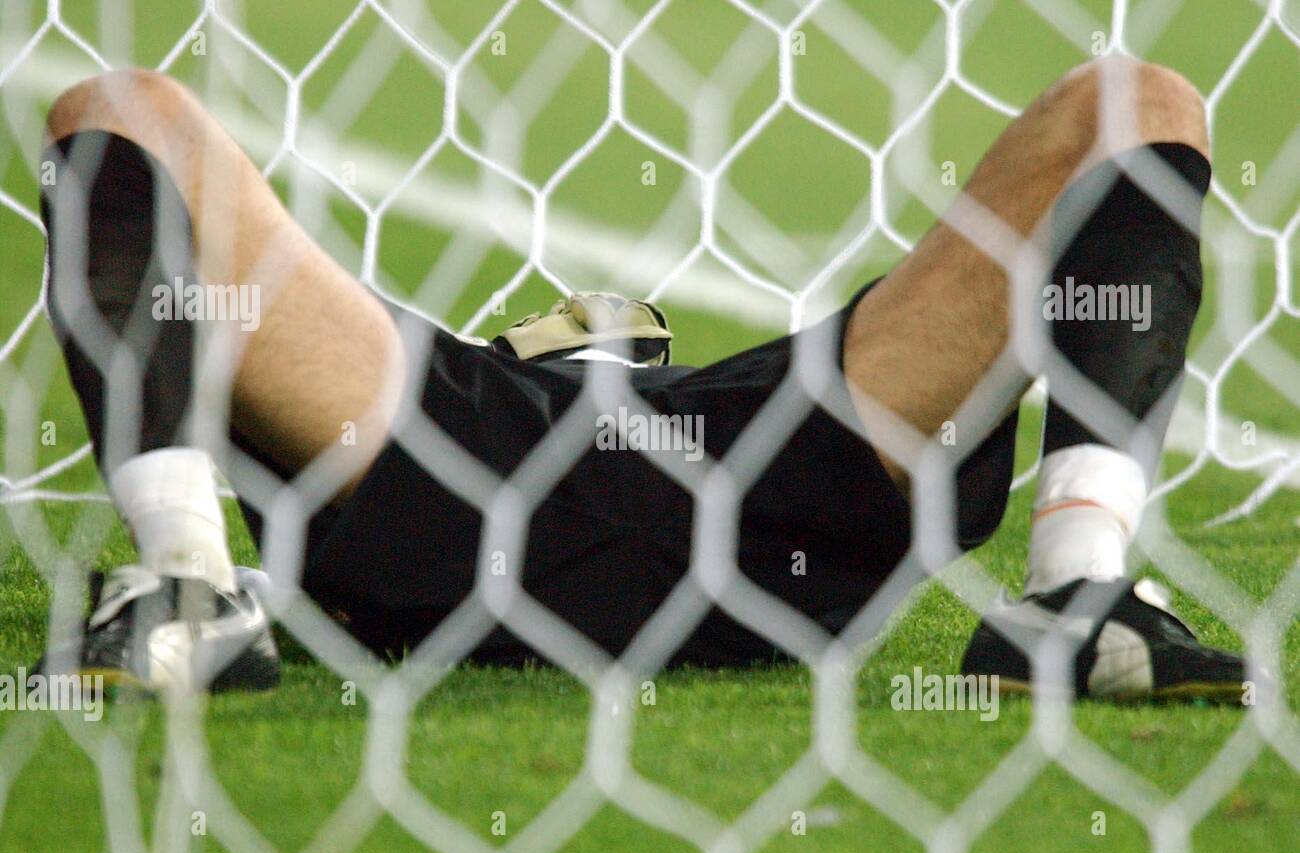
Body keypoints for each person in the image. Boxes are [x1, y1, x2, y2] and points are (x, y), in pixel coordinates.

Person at [32, 59, 1249, 700]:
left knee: (1138, 106)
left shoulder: (733, 393)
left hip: (746, 463)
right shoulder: (464, 387)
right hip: (469, 463)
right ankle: (184, 579)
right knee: (121, 112)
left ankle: (1079, 595)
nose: (589, 317)